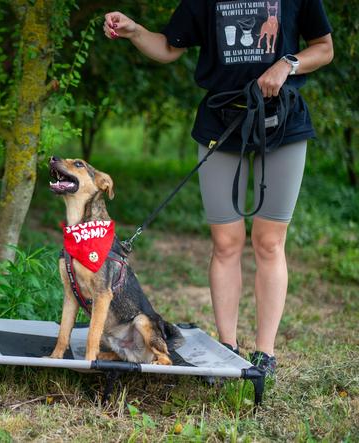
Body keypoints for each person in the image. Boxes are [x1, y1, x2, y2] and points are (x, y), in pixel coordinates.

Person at [104, 2, 333, 376]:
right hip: (220, 122)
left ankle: (265, 354)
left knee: (269, 242)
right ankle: (227, 347)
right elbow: (168, 46)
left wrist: (286, 62)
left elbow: (324, 47)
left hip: (283, 124)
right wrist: (133, 31)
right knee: (226, 242)